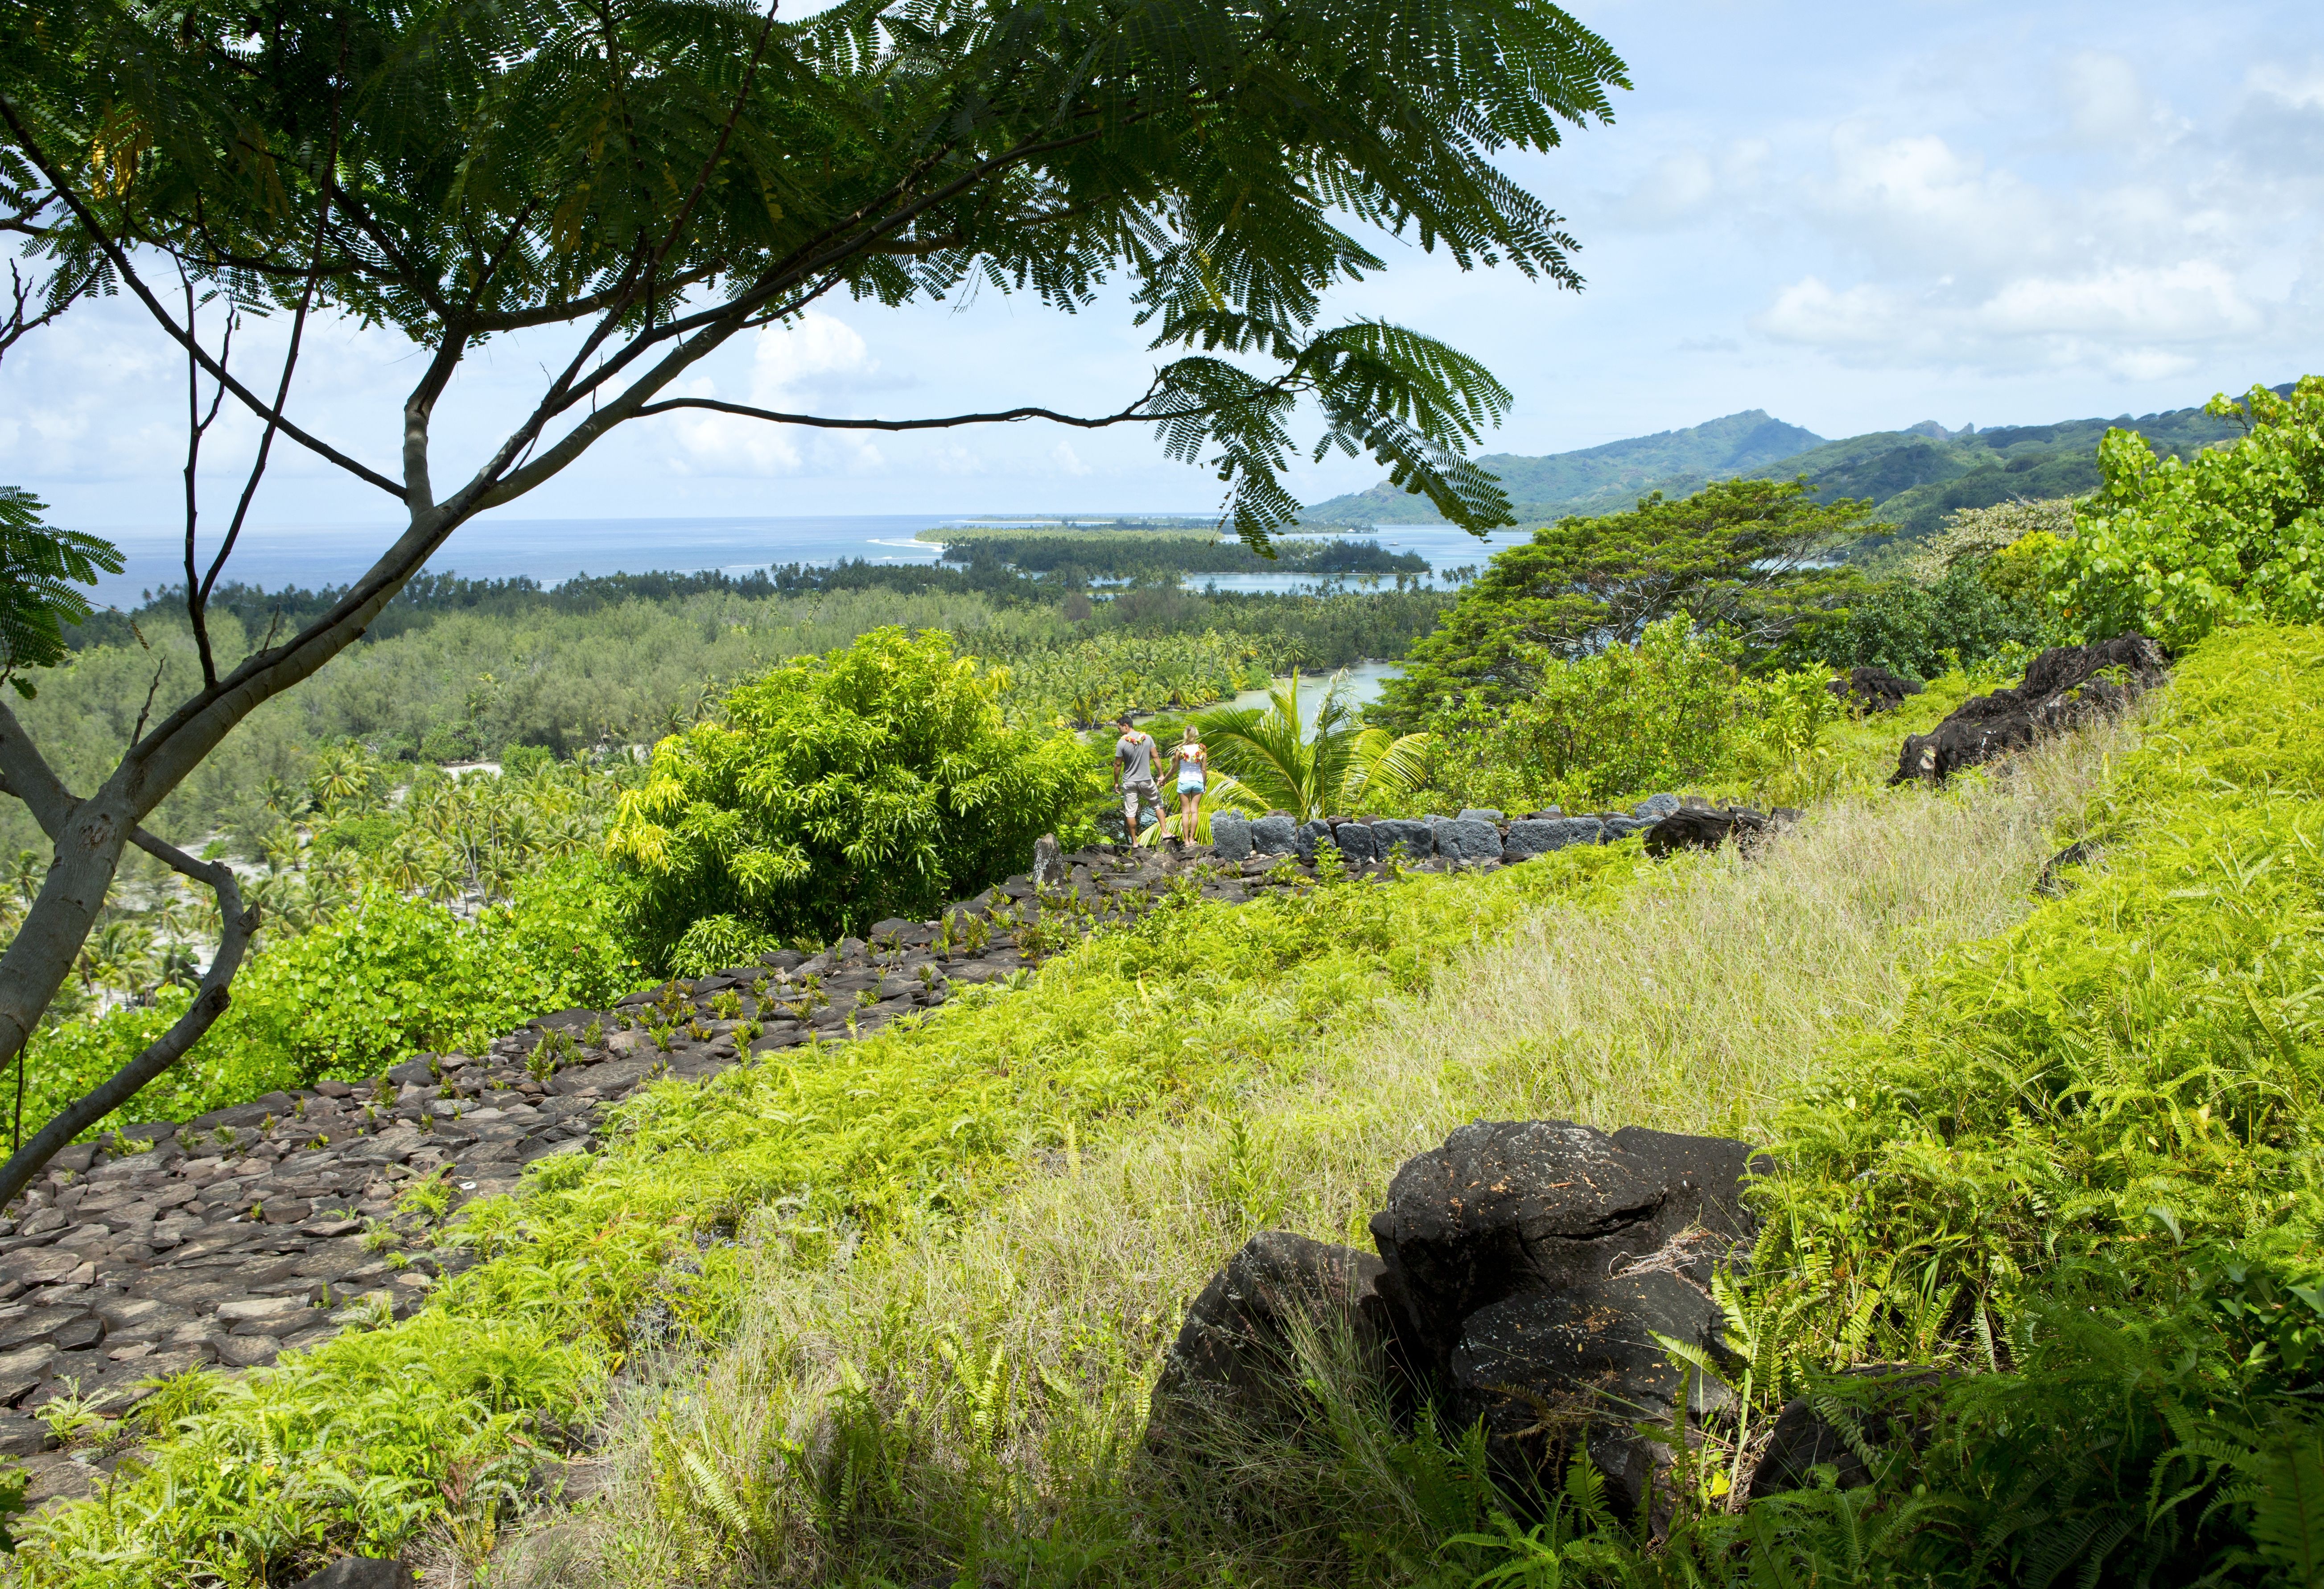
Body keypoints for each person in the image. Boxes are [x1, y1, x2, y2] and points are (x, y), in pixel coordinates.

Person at [1113, 713, 1162, 838]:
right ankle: (1165, 833)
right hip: (1146, 779)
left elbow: (1118, 765)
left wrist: (1116, 782)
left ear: (1126, 726)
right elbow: (1156, 757)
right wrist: (1161, 774)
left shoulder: (1121, 743)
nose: (1119, 731)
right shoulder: (1147, 738)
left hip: (1130, 782)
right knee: (1158, 805)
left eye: (1119, 728)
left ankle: (1134, 842)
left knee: (1130, 812)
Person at [1170, 725, 1209, 841]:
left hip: (1184, 781)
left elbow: (1174, 769)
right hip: (1197, 781)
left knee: (1185, 812)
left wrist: (1165, 779)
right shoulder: (1201, 749)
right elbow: (1204, 770)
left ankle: (1186, 840)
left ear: (1186, 735)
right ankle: (1192, 838)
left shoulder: (1180, 750)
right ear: (1196, 734)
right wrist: (1205, 784)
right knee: (1195, 811)